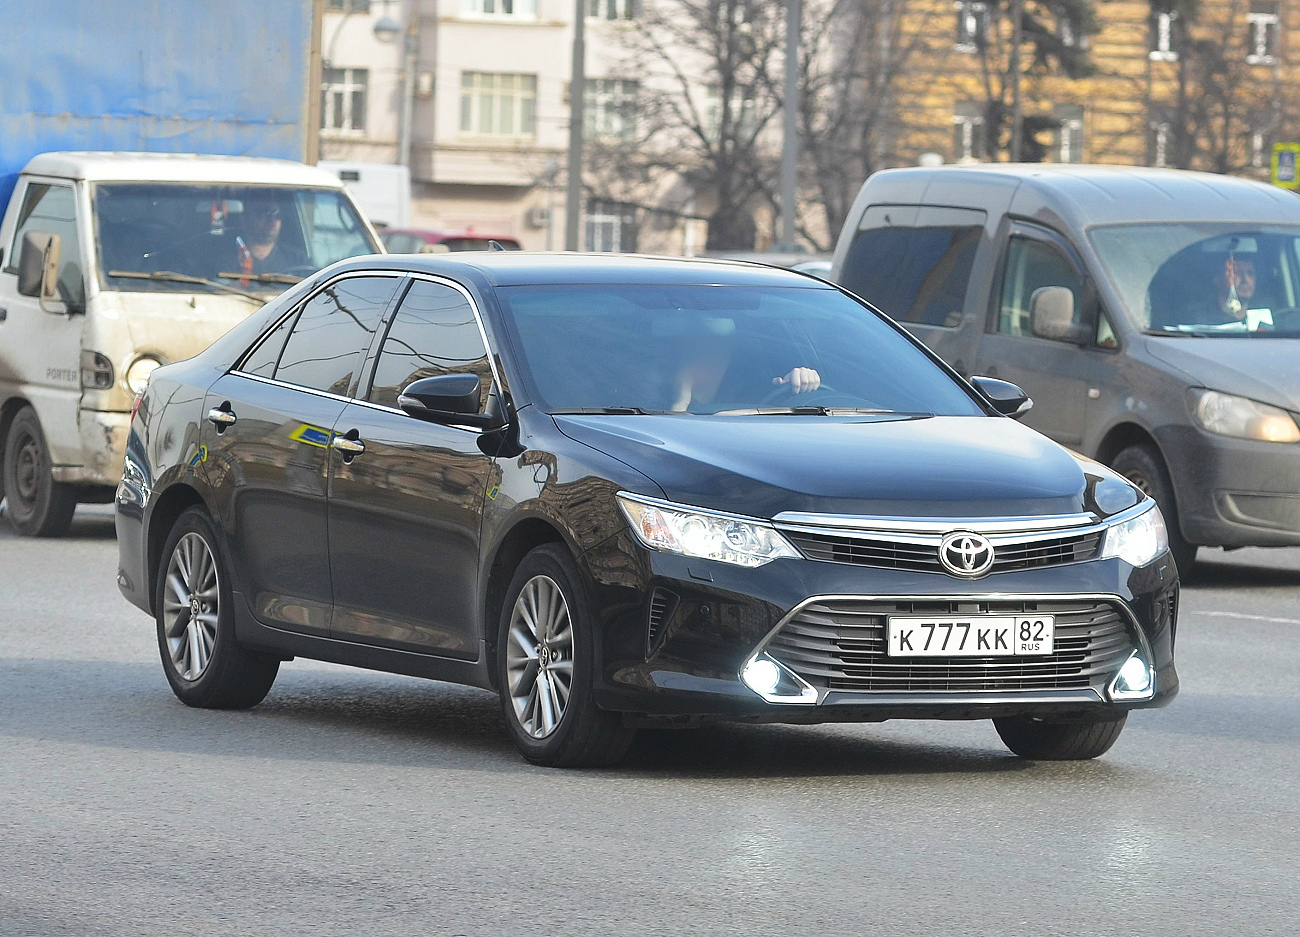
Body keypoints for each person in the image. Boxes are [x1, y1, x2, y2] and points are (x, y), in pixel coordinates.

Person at [664, 316, 821, 412]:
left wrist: (803, 380)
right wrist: (680, 404)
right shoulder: (647, 395)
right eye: (696, 349)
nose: (704, 358)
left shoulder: (753, 390)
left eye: (716, 350)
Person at [234, 194, 307, 276]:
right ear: (244, 220)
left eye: (277, 215)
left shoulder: (298, 261)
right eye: (264, 214)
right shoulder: (225, 261)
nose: (272, 220)